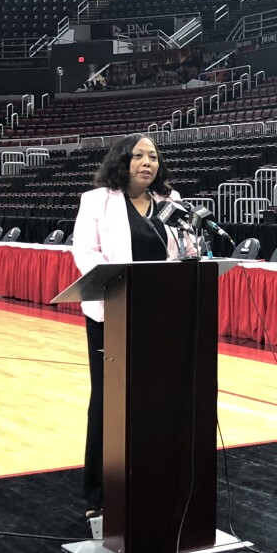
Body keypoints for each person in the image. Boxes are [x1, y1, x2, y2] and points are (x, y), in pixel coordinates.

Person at [72, 134, 197, 519]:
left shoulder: (171, 203)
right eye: (139, 155)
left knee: (157, 399)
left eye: (154, 157)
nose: (148, 162)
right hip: (113, 314)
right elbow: (85, 252)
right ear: (122, 160)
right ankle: (100, 493)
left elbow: (188, 252)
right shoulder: (97, 200)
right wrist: (122, 285)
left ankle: (154, 478)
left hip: (160, 316)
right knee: (109, 403)